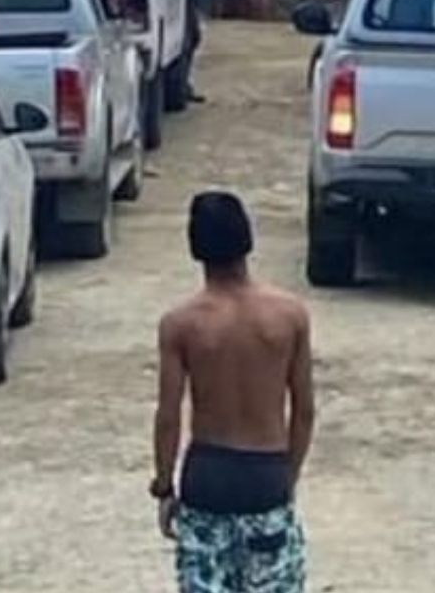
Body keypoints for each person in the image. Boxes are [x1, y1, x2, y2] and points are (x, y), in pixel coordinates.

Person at [153, 193, 315, 593]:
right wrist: (286, 476)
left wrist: (163, 485)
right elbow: (305, 410)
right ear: (247, 239)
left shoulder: (181, 324)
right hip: (265, 473)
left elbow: (169, 416)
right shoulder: (289, 315)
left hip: (207, 476)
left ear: (195, 246)